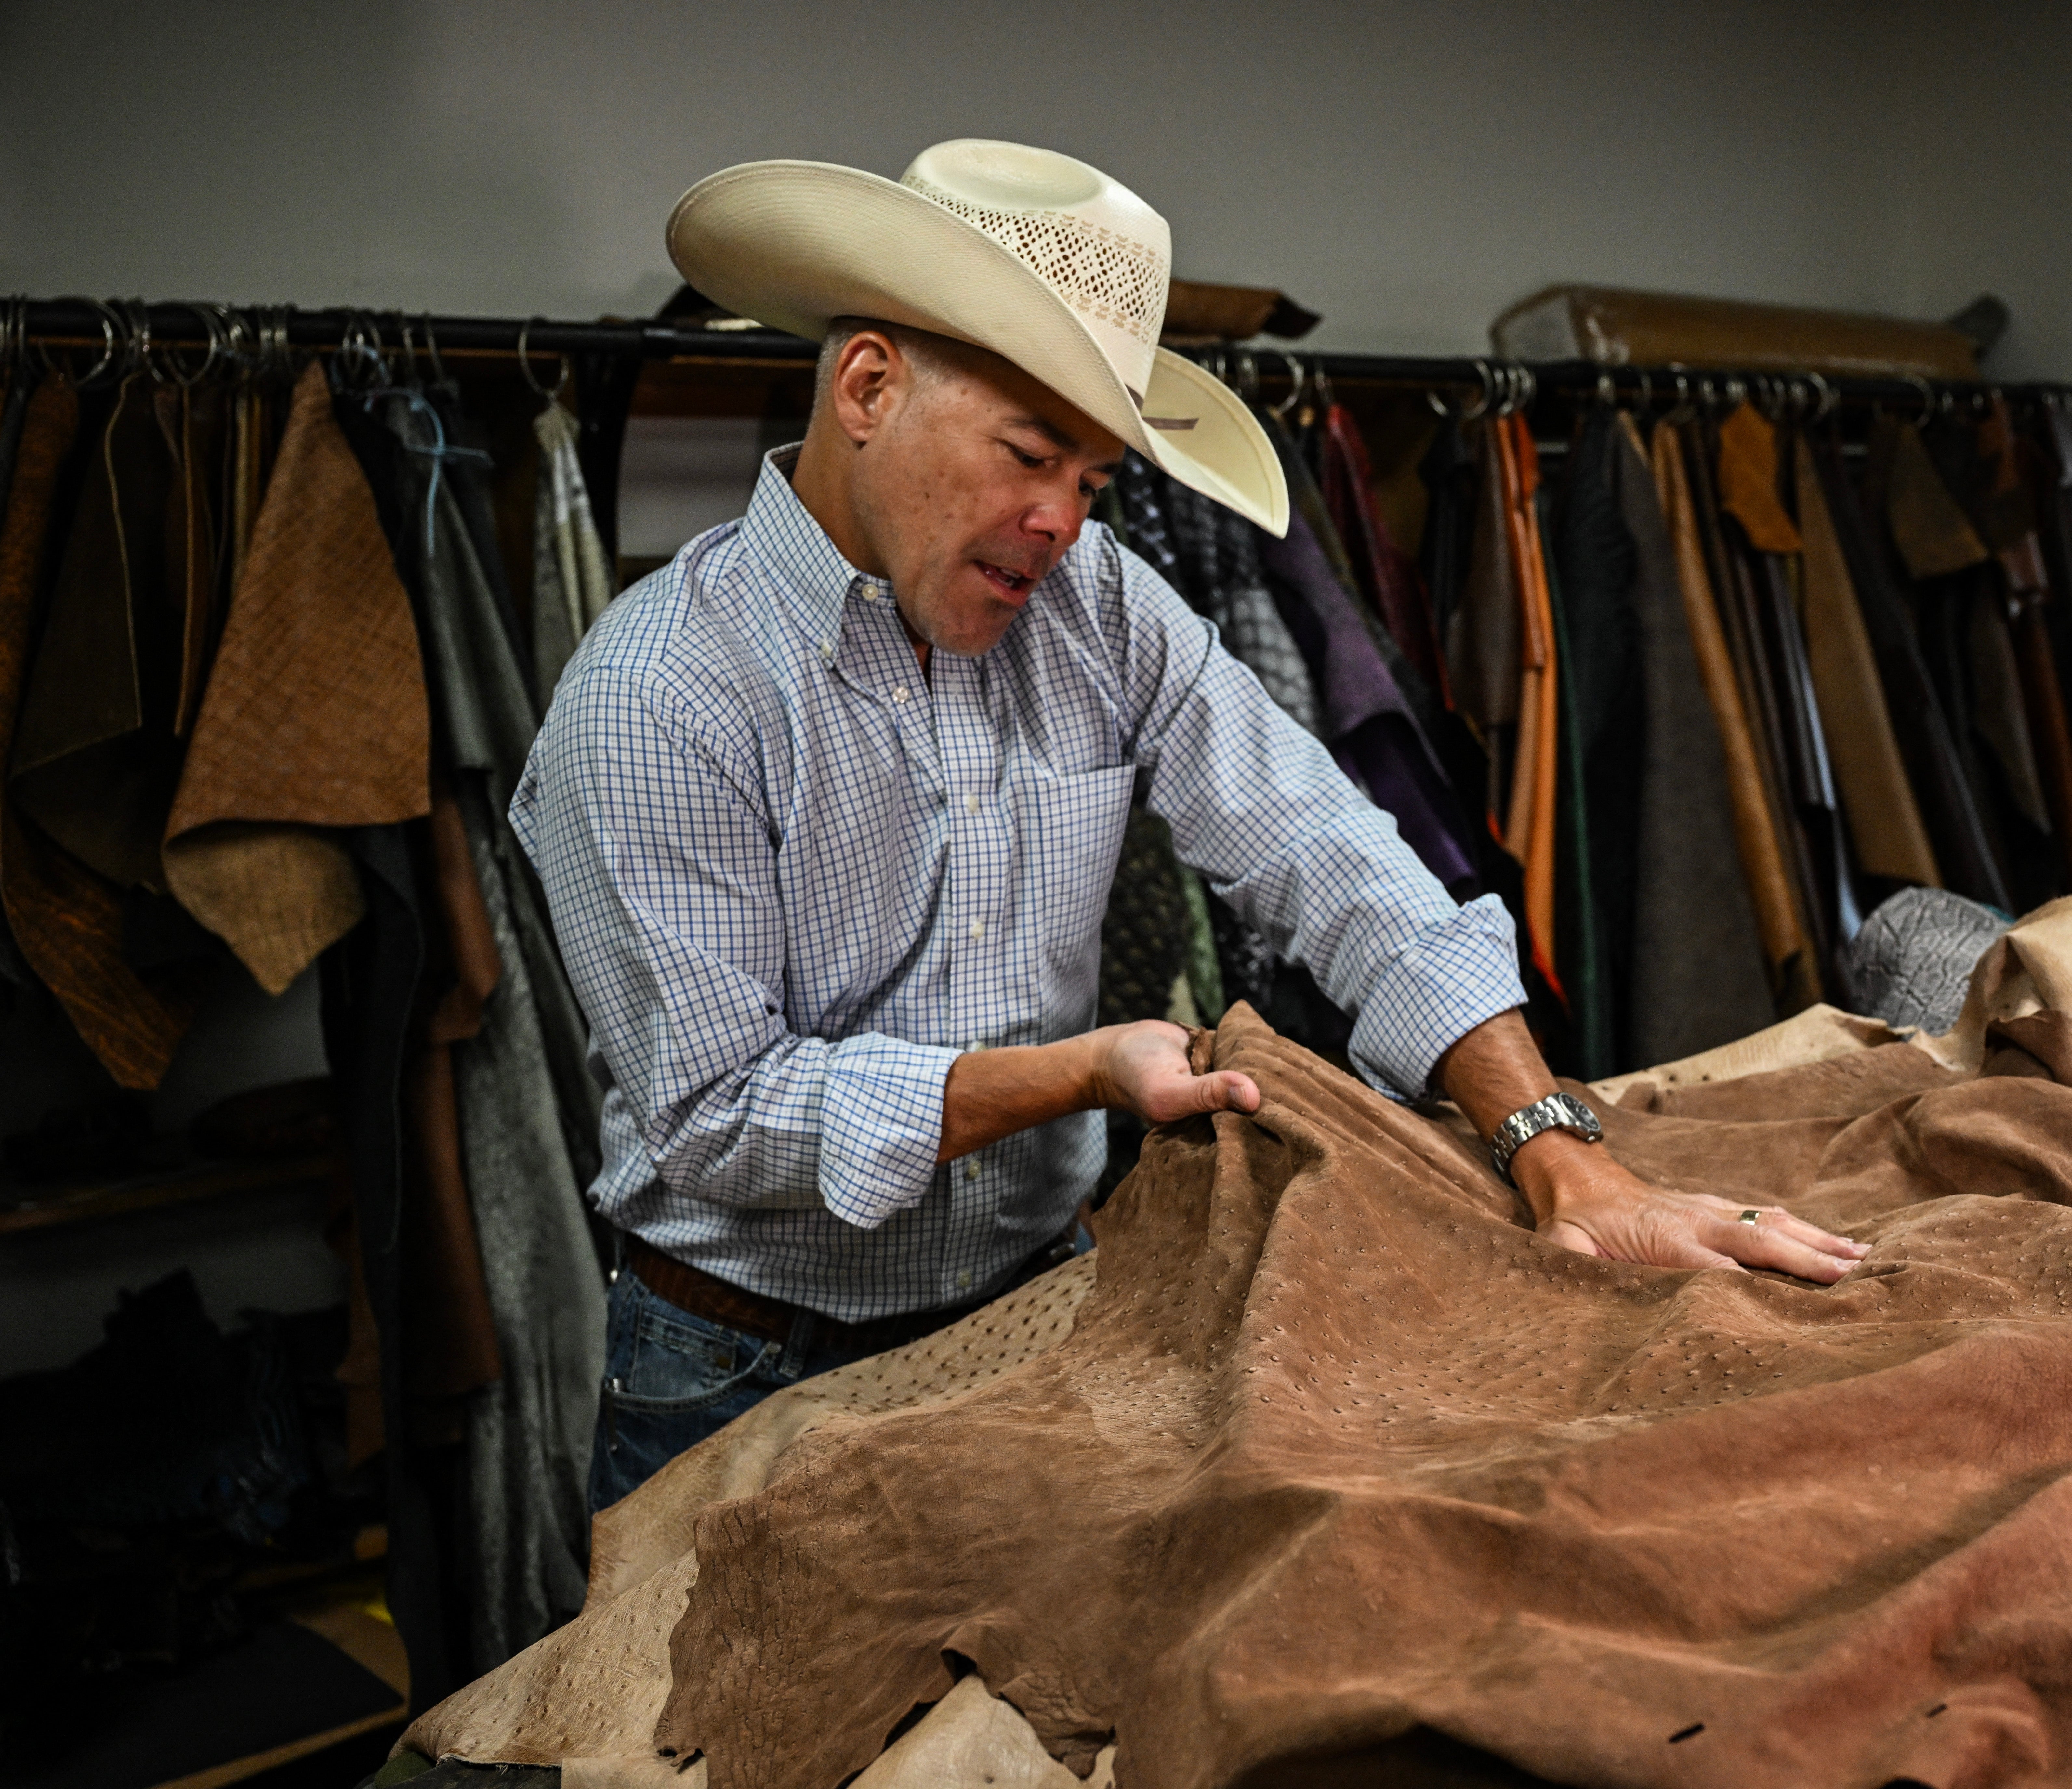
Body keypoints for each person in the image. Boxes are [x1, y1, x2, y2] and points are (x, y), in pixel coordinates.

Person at [513, 140, 1868, 1512]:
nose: (1061, 523)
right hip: (746, 1359)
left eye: (1095, 478)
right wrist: (1077, 1071)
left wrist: (1556, 1147)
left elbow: (1325, 849)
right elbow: (717, 1115)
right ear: (866, 387)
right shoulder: (656, 697)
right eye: (1030, 456)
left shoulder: (1097, 603)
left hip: (1042, 1308)